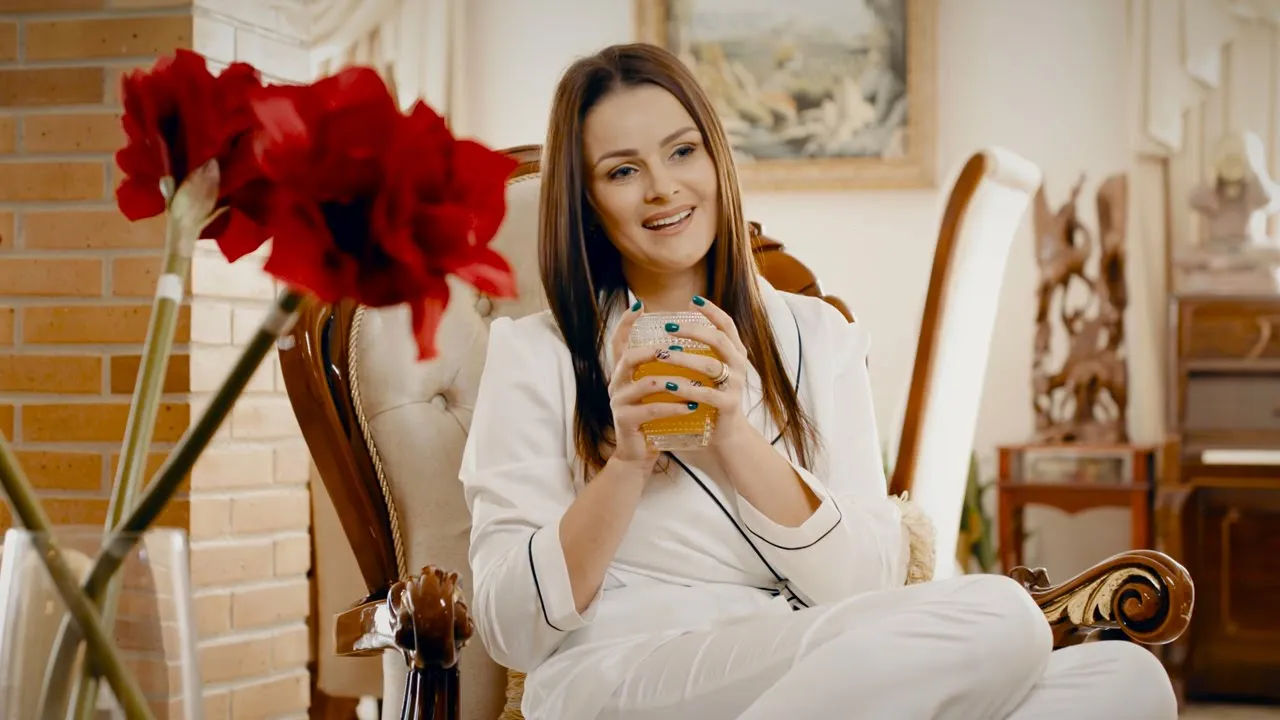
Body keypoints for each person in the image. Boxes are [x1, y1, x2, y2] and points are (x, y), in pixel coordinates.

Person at [459, 42, 1177, 720]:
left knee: (1125, 679)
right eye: (622, 171)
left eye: (682, 151)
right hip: (624, 669)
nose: (662, 187)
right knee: (1000, 617)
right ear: (587, 201)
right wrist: (626, 463)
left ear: (717, 158)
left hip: (814, 665)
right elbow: (509, 627)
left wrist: (736, 436)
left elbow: (866, 586)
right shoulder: (538, 352)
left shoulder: (817, 335)